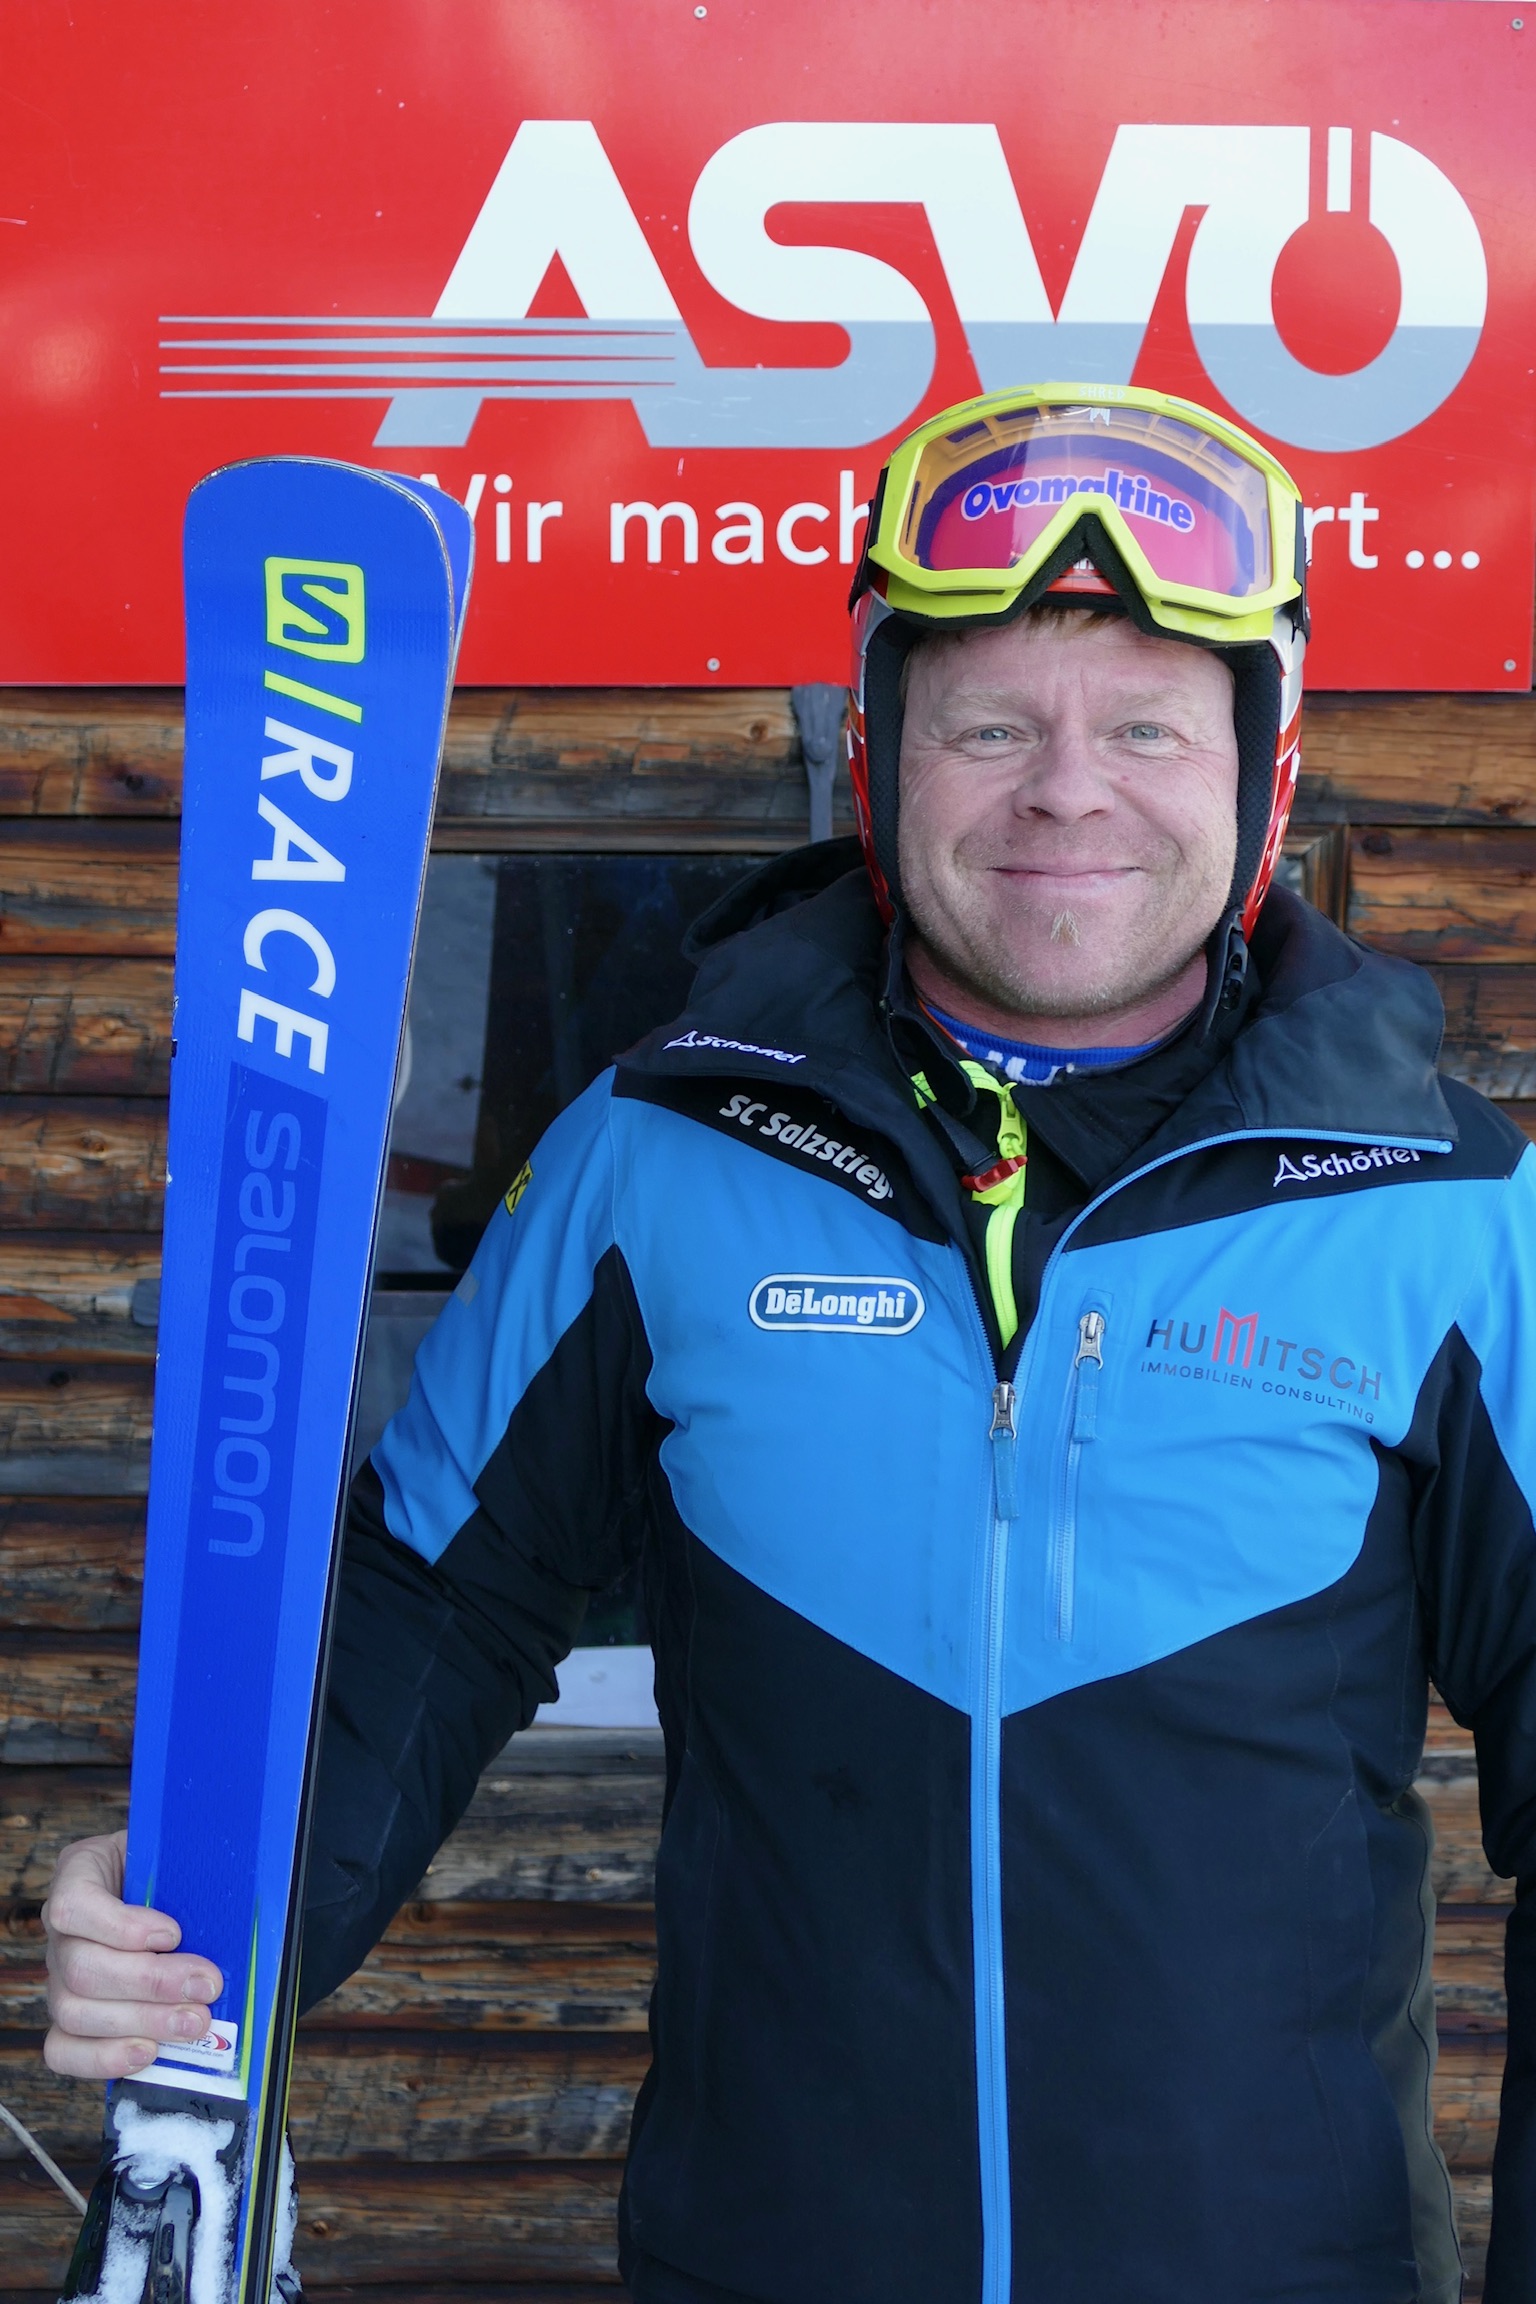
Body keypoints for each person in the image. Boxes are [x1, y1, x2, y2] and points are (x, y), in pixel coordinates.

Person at [41, 384, 1536, 2304]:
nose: (1066, 791)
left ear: (1262, 763)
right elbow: (433, 1607)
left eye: (1148, 726)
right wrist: (204, 1928)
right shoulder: (659, 1161)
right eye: (988, 725)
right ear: (879, 753)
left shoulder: (1448, 1209)